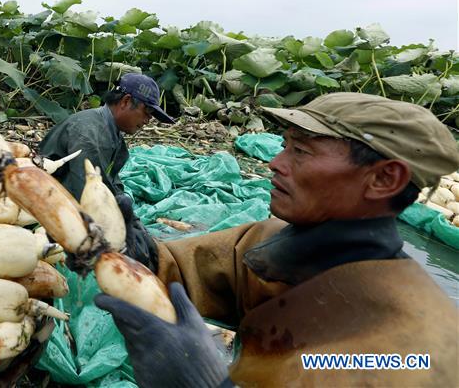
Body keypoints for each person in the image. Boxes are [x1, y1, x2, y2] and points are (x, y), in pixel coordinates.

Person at [96, 92, 459, 387]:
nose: (275, 163)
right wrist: (139, 251)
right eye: (284, 145)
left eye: (300, 152)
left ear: (384, 179)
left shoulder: (418, 349)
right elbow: (184, 270)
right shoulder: (270, 244)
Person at [39, 72, 173, 264]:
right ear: (126, 101)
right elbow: (86, 192)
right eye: (147, 112)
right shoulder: (89, 132)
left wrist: (132, 220)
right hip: (49, 210)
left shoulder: (111, 134)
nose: (147, 121)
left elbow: (111, 183)